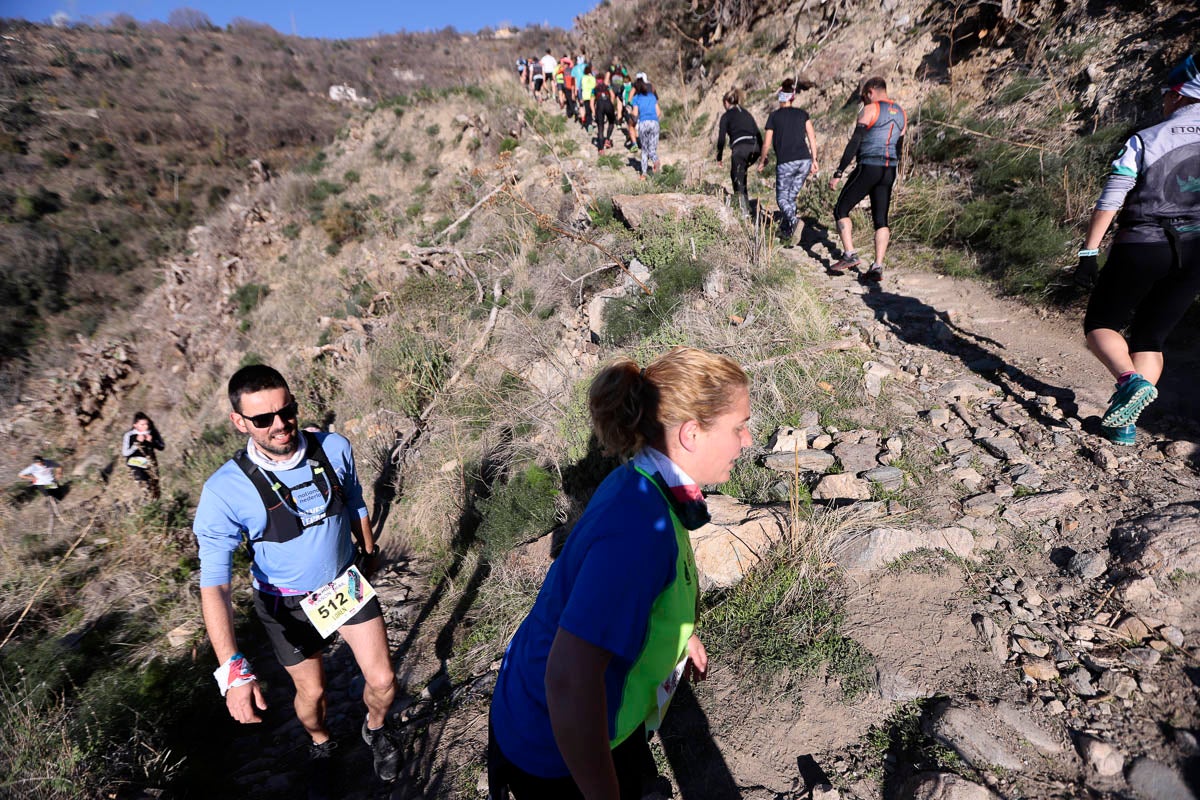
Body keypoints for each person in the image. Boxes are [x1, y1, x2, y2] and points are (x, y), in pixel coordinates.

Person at [488, 347, 752, 800]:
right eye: (738, 427)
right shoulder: (639, 529)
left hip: (568, 720)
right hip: (553, 747)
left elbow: (628, 593)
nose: (746, 441)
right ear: (691, 433)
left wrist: (679, 634)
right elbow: (570, 681)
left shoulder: (643, 480)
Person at [192, 365, 399, 780]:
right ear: (239, 422)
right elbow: (214, 585)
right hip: (284, 601)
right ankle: (321, 742)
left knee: (383, 680)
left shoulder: (334, 448)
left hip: (344, 583)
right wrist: (231, 669)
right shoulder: (224, 490)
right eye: (263, 419)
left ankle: (375, 730)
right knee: (314, 691)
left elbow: (355, 500)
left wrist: (369, 551)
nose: (281, 425)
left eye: (286, 411)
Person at [1074, 52, 1200, 446]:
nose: (1164, 101)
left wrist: (1089, 252)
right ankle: (1122, 423)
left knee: (1100, 325)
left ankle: (1128, 382)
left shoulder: (1146, 139)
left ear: (1180, 95)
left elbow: (1112, 195)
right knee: (1150, 338)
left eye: (1167, 94)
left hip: (1143, 243)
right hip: (1196, 251)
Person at [827, 76, 906, 281]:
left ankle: (849, 254)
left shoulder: (870, 110)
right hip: (889, 169)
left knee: (841, 209)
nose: (864, 101)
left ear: (870, 91)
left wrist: (839, 172)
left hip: (869, 166)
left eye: (864, 97)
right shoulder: (902, 113)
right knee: (881, 219)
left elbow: (855, 142)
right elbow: (899, 147)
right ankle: (878, 266)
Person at [758, 79, 818, 239]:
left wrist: (763, 159)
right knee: (791, 197)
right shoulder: (802, 114)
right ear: (792, 98)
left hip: (786, 163)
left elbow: (766, 143)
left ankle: (794, 221)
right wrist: (814, 159)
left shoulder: (774, 117)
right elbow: (812, 138)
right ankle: (789, 230)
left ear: (780, 98)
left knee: (782, 198)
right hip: (804, 161)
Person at [715, 88, 762, 218]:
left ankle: (744, 211)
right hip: (755, 148)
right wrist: (763, 155)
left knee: (736, 177)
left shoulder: (726, 116)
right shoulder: (746, 113)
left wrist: (719, 156)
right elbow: (758, 132)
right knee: (742, 171)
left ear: (726, 102)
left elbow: (721, 138)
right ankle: (746, 204)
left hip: (740, 149)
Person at [122, 412, 165, 498]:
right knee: (144, 486)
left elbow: (162, 446)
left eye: (147, 424)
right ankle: (145, 505)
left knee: (155, 488)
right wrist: (136, 443)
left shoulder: (153, 432)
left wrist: (152, 441)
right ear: (135, 425)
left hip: (150, 463)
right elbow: (125, 453)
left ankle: (156, 506)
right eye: (142, 424)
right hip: (136, 464)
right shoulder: (129, 435)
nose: (146, 426)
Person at [629, 77, 660, 178]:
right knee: (652, 149)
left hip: (644, 123)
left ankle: (644, 173)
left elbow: (635, 113)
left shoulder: (636, 98)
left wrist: (630, 113)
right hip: (654, 123)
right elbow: (658, 112)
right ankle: (656, 160)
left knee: (644, 150)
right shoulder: (652, 97)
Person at [593, 85, 617, 152]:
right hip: (608, 104)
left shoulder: (594, 88)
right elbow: (612, 95)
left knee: (600, 127)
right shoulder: (608, 86)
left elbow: (591, 103)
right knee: (611, 122)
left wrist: (594, 113)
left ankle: (601, 149)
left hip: (599, 106)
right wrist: (612, 106)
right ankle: (607, 139)